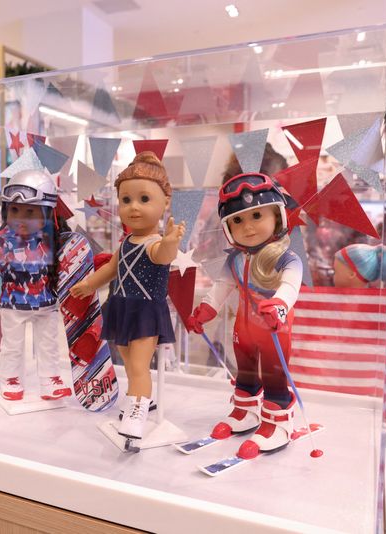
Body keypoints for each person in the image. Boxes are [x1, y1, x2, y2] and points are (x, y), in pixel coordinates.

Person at [70, 152, 185, 442]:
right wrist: (89, 284)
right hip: (121, 307)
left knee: (138, 364)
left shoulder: (154, 243)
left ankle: (137, 409)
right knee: (126, 357)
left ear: (165, 202)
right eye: (126, 200)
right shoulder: (126, 243)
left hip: (145, 312)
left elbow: (163, 256)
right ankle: (142, 397)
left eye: (144, 199)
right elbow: (111, 268)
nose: (134, 207)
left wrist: (171, 243)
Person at [187, 172, 303, 457]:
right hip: (244, 326)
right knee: (245, 368)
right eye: (237, 221)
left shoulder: (286, 258)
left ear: (277, 216)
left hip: (274, 326)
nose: (248, 227)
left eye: (257, 216)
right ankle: (246, 411)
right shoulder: (235, 259)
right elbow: (222, 286)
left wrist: (278, 305)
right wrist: (206, 311)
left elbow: (290, 286)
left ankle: (278, 423)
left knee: (274, 374)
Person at [0, 169, 72, 402]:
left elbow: (71, 261)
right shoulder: (5, 239)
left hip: (46, 302)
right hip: (14, 302)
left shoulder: (55, 237)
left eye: (30, 211)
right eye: (14, 210)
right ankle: (10, 379)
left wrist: (88, 268)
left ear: (47, 211)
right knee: (12, 345)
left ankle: (50, 379)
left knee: (49, 344)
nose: (20, 218)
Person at [333, 244, 386, 387]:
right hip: (360, 377)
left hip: (354, 377)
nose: (333, 276)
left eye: (335, 271)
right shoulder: (381, 303)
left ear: (351, 274)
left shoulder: (364, 306)